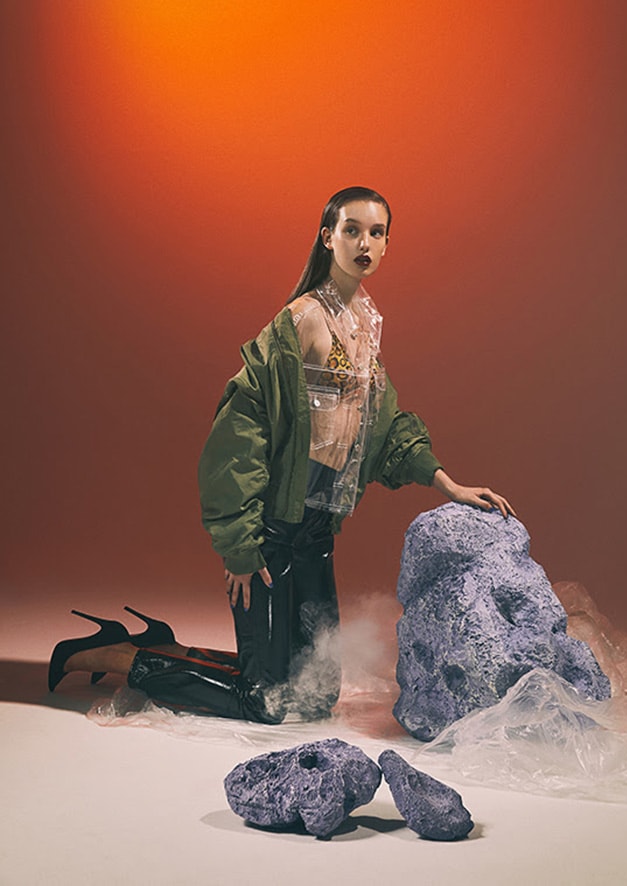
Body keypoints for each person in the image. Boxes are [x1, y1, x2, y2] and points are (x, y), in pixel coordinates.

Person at [49, 186, 514, 723]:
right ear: (328, 238)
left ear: (388, 244)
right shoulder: (304, 319)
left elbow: (381, 424)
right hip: (271, 527)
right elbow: (240, 429)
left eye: (377, 232)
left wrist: (447, 484)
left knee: (314, 694)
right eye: (352, 230)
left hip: (316, 529)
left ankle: (164, 647)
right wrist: (239, 546)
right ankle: (107, 654)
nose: (365, 243)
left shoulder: (365, 322)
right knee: (265, 702)